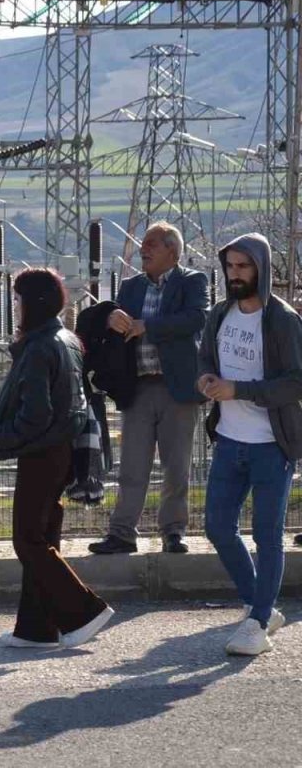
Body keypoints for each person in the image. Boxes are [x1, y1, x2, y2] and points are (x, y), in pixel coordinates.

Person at [0, 268, 113, 649]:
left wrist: (5, 439)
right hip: (60, 448)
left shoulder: (41, 345)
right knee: (43, 537)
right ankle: (36, 628)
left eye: (19, 299)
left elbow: (36, 413)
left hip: (42, 450)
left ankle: (84, 610)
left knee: (27, 541)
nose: (16, 305)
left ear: (34, 303)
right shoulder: (65, 339)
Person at [197, 234, 302, 656]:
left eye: (244, 266)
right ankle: (261, 603)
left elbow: (295, 381)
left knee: (267, 534)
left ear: (260, 268)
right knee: (217, 527)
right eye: (230, 266)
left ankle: (257, 621)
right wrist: (204, 380)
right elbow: (205, 358)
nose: (235, 273)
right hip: (228, 441)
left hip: (270, 444)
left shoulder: (282, 319)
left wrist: (237, 389)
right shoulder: (220, 313)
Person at [89, 222, 209, 556]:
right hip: (139, 387)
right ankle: (123, 533)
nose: (143, 249)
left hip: (178, 389)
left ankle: (173, 531)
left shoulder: (191, 281)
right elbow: (112, 316)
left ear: (172, 250)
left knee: (176, 465)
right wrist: (112, 316)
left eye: (151, 244)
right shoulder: (131, 287)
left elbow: (197, 318)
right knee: (132, 465)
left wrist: (148, 327)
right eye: (142, 244)